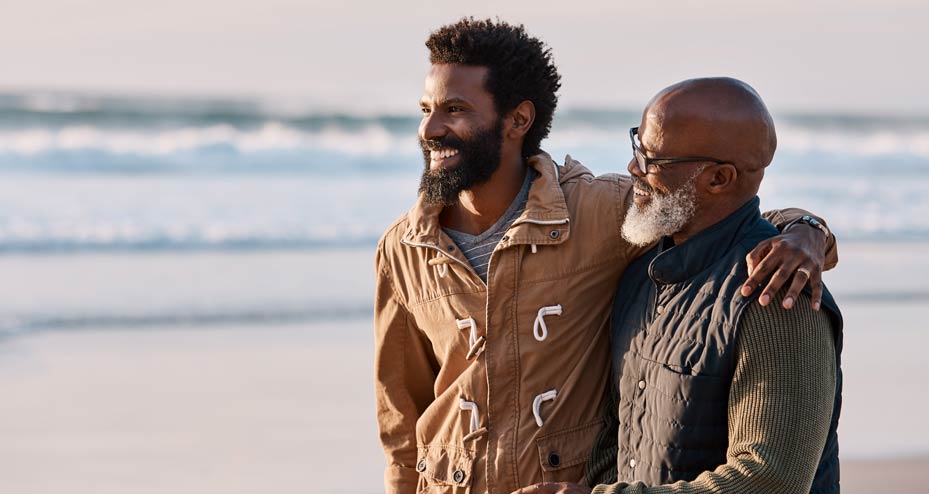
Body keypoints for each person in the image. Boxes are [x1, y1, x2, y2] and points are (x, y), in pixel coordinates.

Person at [374, 19, 837, 494]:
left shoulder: (603, 215)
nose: (429, 128)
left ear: (518, 120)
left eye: (454, 109)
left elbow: (729, 216)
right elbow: (401, 423)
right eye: (426, 108)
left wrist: (807, 232)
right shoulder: (402, 248)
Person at [513, 78, 843, 494]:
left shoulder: (778, 291)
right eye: (637, 145)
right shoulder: (641, 275)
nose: (634, 167)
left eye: (653, 159)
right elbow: (616, 438)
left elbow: (770, 478)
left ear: (719, 178)